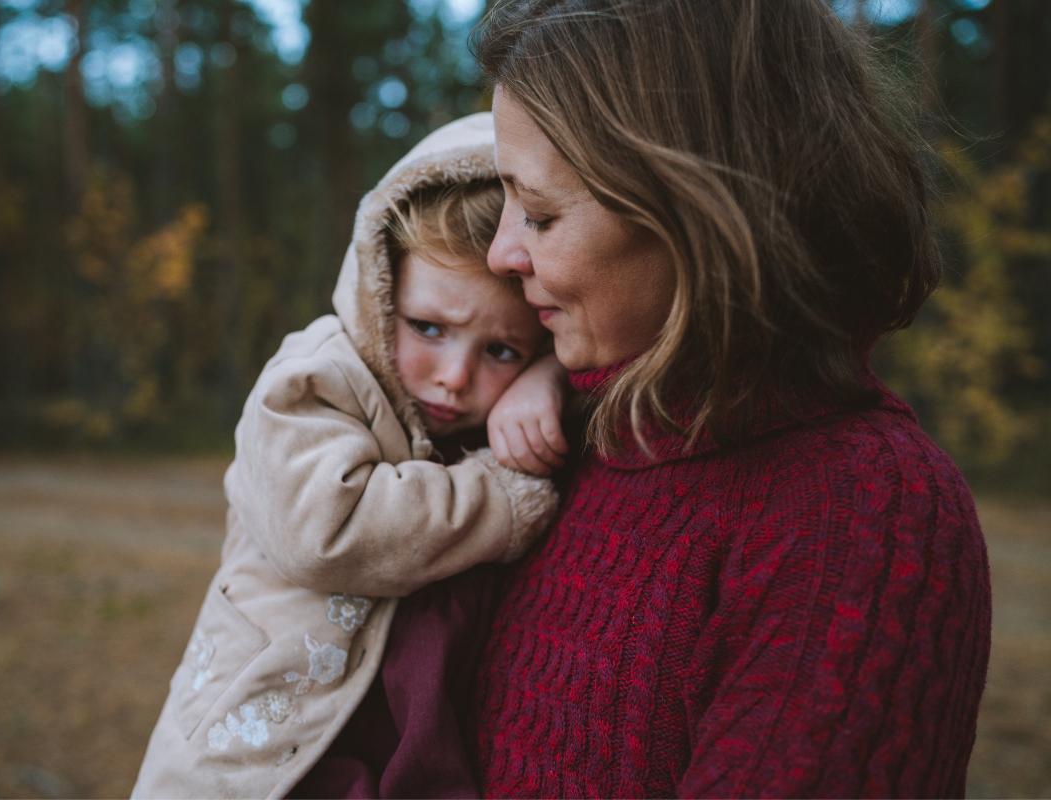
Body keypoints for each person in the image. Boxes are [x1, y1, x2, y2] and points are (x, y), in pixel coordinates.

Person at [468, 0, 992, 797]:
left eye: (538, 214)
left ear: (700, 211)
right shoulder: (555, 431)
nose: (501, 252)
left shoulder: (865, 513)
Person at [132, 113, 566, 799]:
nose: (455, 376)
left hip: (399, 753)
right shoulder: (312, 381)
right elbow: (328, 533)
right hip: (266, 759)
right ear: (379, 288)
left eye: (501, 350)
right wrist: (505, 496)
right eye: (429, 327)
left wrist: (552, 377)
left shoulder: (506, 404)